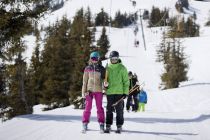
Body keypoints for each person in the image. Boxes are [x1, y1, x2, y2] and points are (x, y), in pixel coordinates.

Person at [103, 51, 129, 133]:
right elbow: (105, 80)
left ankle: (119, 125)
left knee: (119, 110)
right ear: (110, 59)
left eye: (115, 58)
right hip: (110, 92)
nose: (114, 60)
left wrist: (125, 92)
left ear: (118, 58)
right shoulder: (107, 68)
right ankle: (108, 125)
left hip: (119, 93)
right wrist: (105, 85)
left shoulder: (122, 68)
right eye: (112, 58)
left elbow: (126, 82)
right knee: (109, 110)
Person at [82, 51, 105, 133]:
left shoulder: (101, 69)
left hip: (98, 90)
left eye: (96, 58)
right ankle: (85, 123)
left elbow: (104, 80)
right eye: (93, 58)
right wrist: (83, 91)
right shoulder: (87, 68)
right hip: (89, 90)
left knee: (99, 108)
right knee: (88, 107)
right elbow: (84, 81)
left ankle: (101, 123)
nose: (94, 60)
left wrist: (105, 88)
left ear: (98, 59)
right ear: (90, 59)